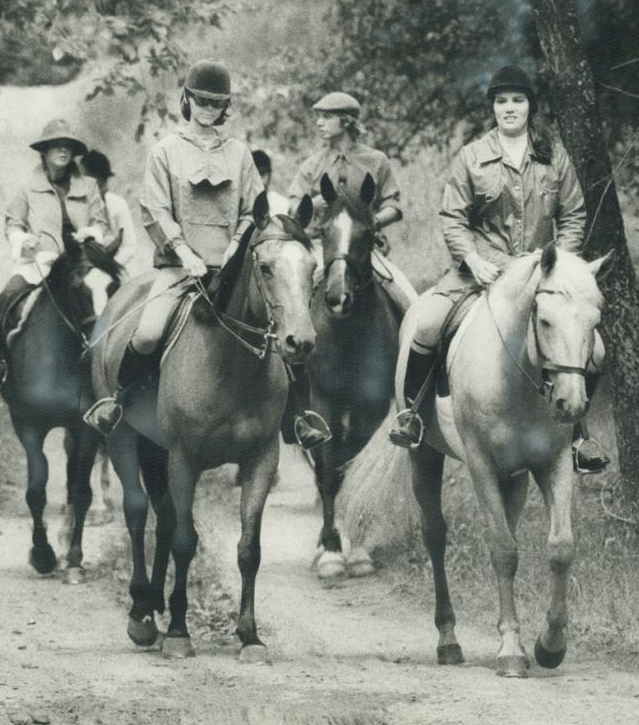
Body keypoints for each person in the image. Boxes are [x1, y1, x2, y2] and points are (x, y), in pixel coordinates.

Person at [82, 60, 331, 448]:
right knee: (147, 333)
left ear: (225, 107)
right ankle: (118, 401)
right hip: (180, 266)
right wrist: (183, 252)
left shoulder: (239, 152)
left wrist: (235, 247)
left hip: (235, 268)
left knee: (287, 323)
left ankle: (299, 416)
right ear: (187, 100)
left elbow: (253, 209)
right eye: (201, 101)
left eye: (217, 104)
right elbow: (154, 209)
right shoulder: (165, 151)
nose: (209, 110)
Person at [388, 65, 609, 473]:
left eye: (518, 100)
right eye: (502, 101)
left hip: (543, 278)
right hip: (481, 271)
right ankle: (413, 416)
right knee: (427, 324)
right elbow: (453, 217)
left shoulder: (553, 157)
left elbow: (574, 214)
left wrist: (559, 266)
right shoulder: (472, 157)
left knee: (594, 349)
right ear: (493, 107)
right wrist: (471, 258)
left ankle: (579, 434)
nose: (509, 108)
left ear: (530, 107)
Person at [0, 119, 108, 387]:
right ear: (44, 151)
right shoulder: (28, 188)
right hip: (43, 262)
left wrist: (90, 233)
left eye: (68, 147)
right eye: (57, 146)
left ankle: (118, 366)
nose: (63, 152)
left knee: (116, 293)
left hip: (83, 262)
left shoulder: (89, 186)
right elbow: (13, 222)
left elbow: (101, 222)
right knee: (9, 294)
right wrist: (22, 238)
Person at [285, 92, 404, 282]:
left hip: (365, 249)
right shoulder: (312, 165)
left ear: (346, 122)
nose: (319, 123)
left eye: (327, 117)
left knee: (399, 289)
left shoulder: (376, 161)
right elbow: (292, 208)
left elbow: (393, 206)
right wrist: (313, 204)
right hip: (319, 248)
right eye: (319, 117)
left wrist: (373, 221)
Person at [82, 150, 137, 267]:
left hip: (114, 267)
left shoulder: (118, 204)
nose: (103, 187)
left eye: (103, 181)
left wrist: (109, 268)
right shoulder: (79, 205)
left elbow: (130, 247)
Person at [251, 149, 290, 219]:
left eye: (261, 174)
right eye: (254, 175)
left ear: (269, 174)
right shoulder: (240, 206)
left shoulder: (281, 204)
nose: (258, 181)